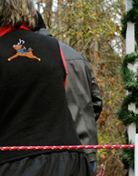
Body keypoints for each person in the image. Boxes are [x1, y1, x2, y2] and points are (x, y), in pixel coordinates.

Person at [0, 0, 93, 176]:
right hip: (65, 160)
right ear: (30, 11)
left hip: (7, 163)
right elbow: (60, 90)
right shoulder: (54, 48)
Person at [35, 13, 103, 170]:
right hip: (86, 148)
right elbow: (97, 101)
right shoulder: (78, 57)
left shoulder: (36, 59)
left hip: (55, 154)